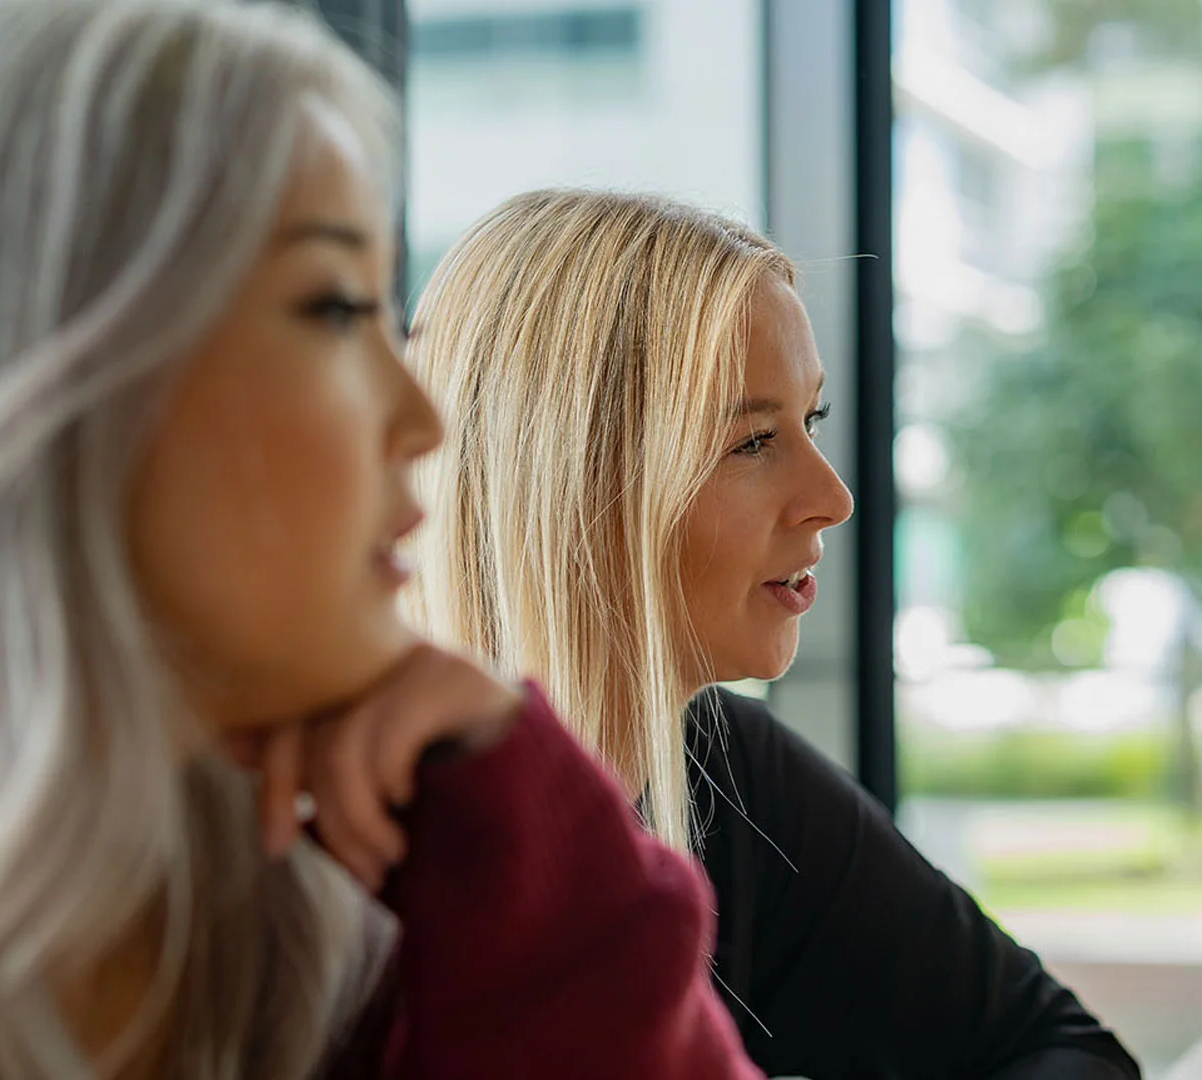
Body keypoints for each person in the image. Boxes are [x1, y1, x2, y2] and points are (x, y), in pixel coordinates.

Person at [0, 3, 763, 1077]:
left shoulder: (366, 927)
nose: (424, 422)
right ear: (42, 366)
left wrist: (531, 853)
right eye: (338, 311)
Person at [407, 189, 1143, 1079]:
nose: (833, 496)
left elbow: (1062, 1051)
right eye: (753, 441)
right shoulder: (374, 845)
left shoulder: (729, 771)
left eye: (812, 421)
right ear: (573, 482)